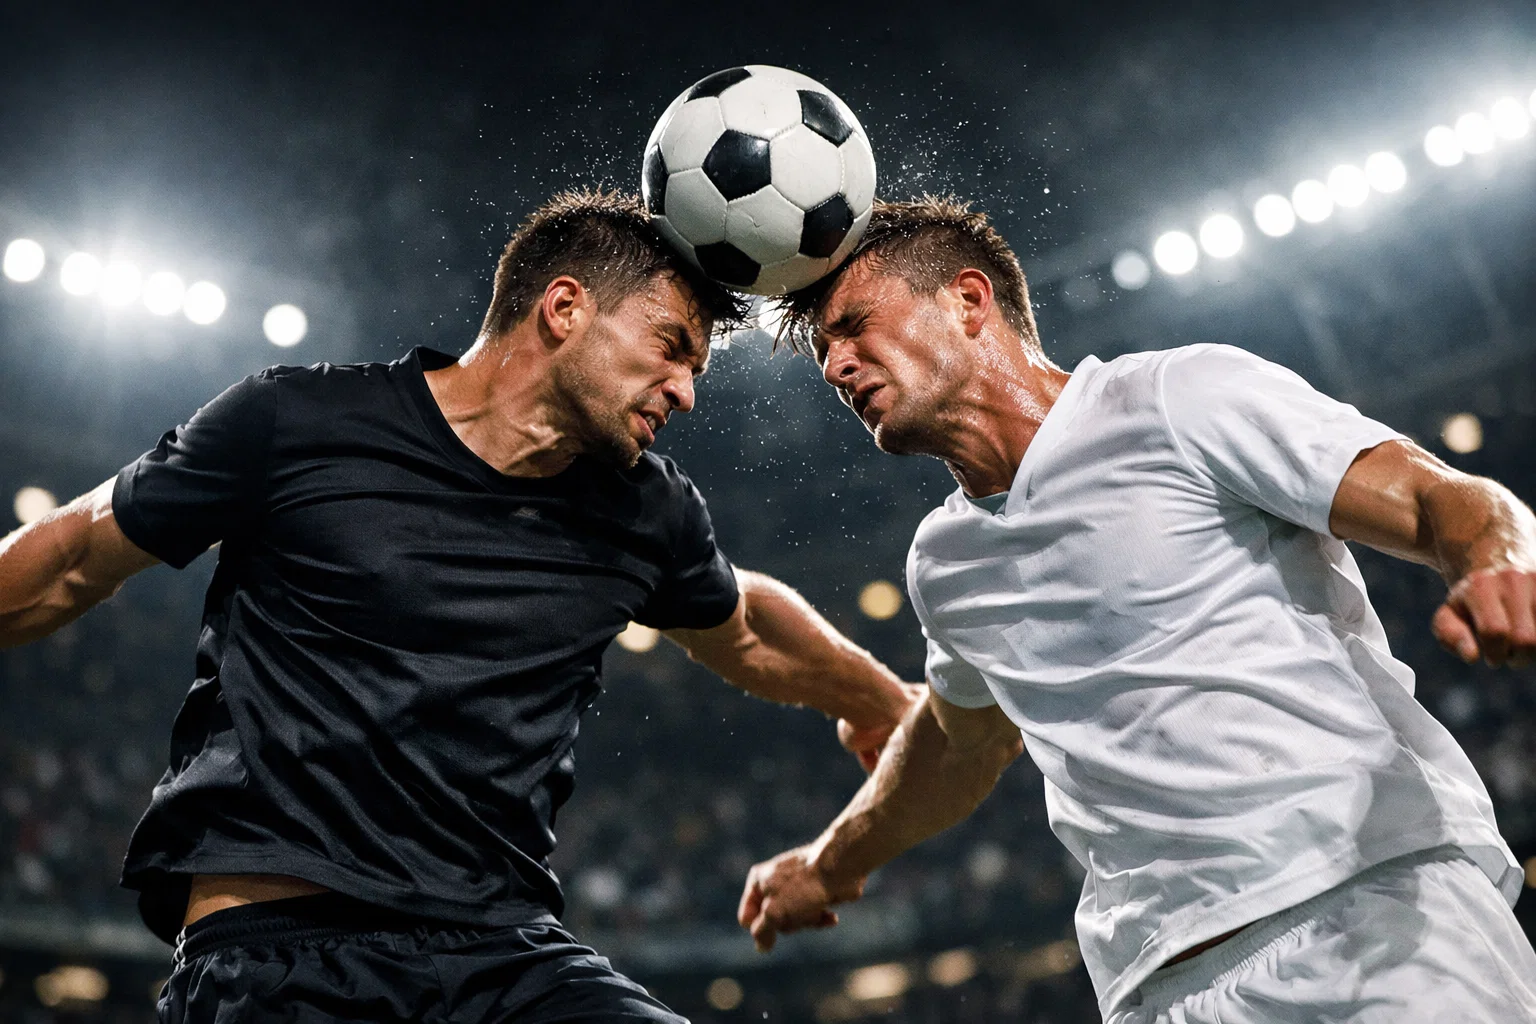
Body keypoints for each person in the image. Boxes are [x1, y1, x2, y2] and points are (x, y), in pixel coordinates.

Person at [0, 189, 915, 1023]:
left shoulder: (646, 509)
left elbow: (744, 628)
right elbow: (72, 559)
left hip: (503, 955)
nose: (684, 390)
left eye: (697, 368)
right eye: (671, 346)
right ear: (565, 308)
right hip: (275, 956)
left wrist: (885, 703)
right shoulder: (299, 422)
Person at [737, 196, 1536, 1023]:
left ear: (968, 300)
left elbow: (1433, 494)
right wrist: (828, 864)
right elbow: (955, 741)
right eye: (824, 351)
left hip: (1370, 915)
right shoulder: (944, 563)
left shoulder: (1177, 400)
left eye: (854, 327)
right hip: (1157, 985)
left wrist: (1499, 559)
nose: (835, 367)